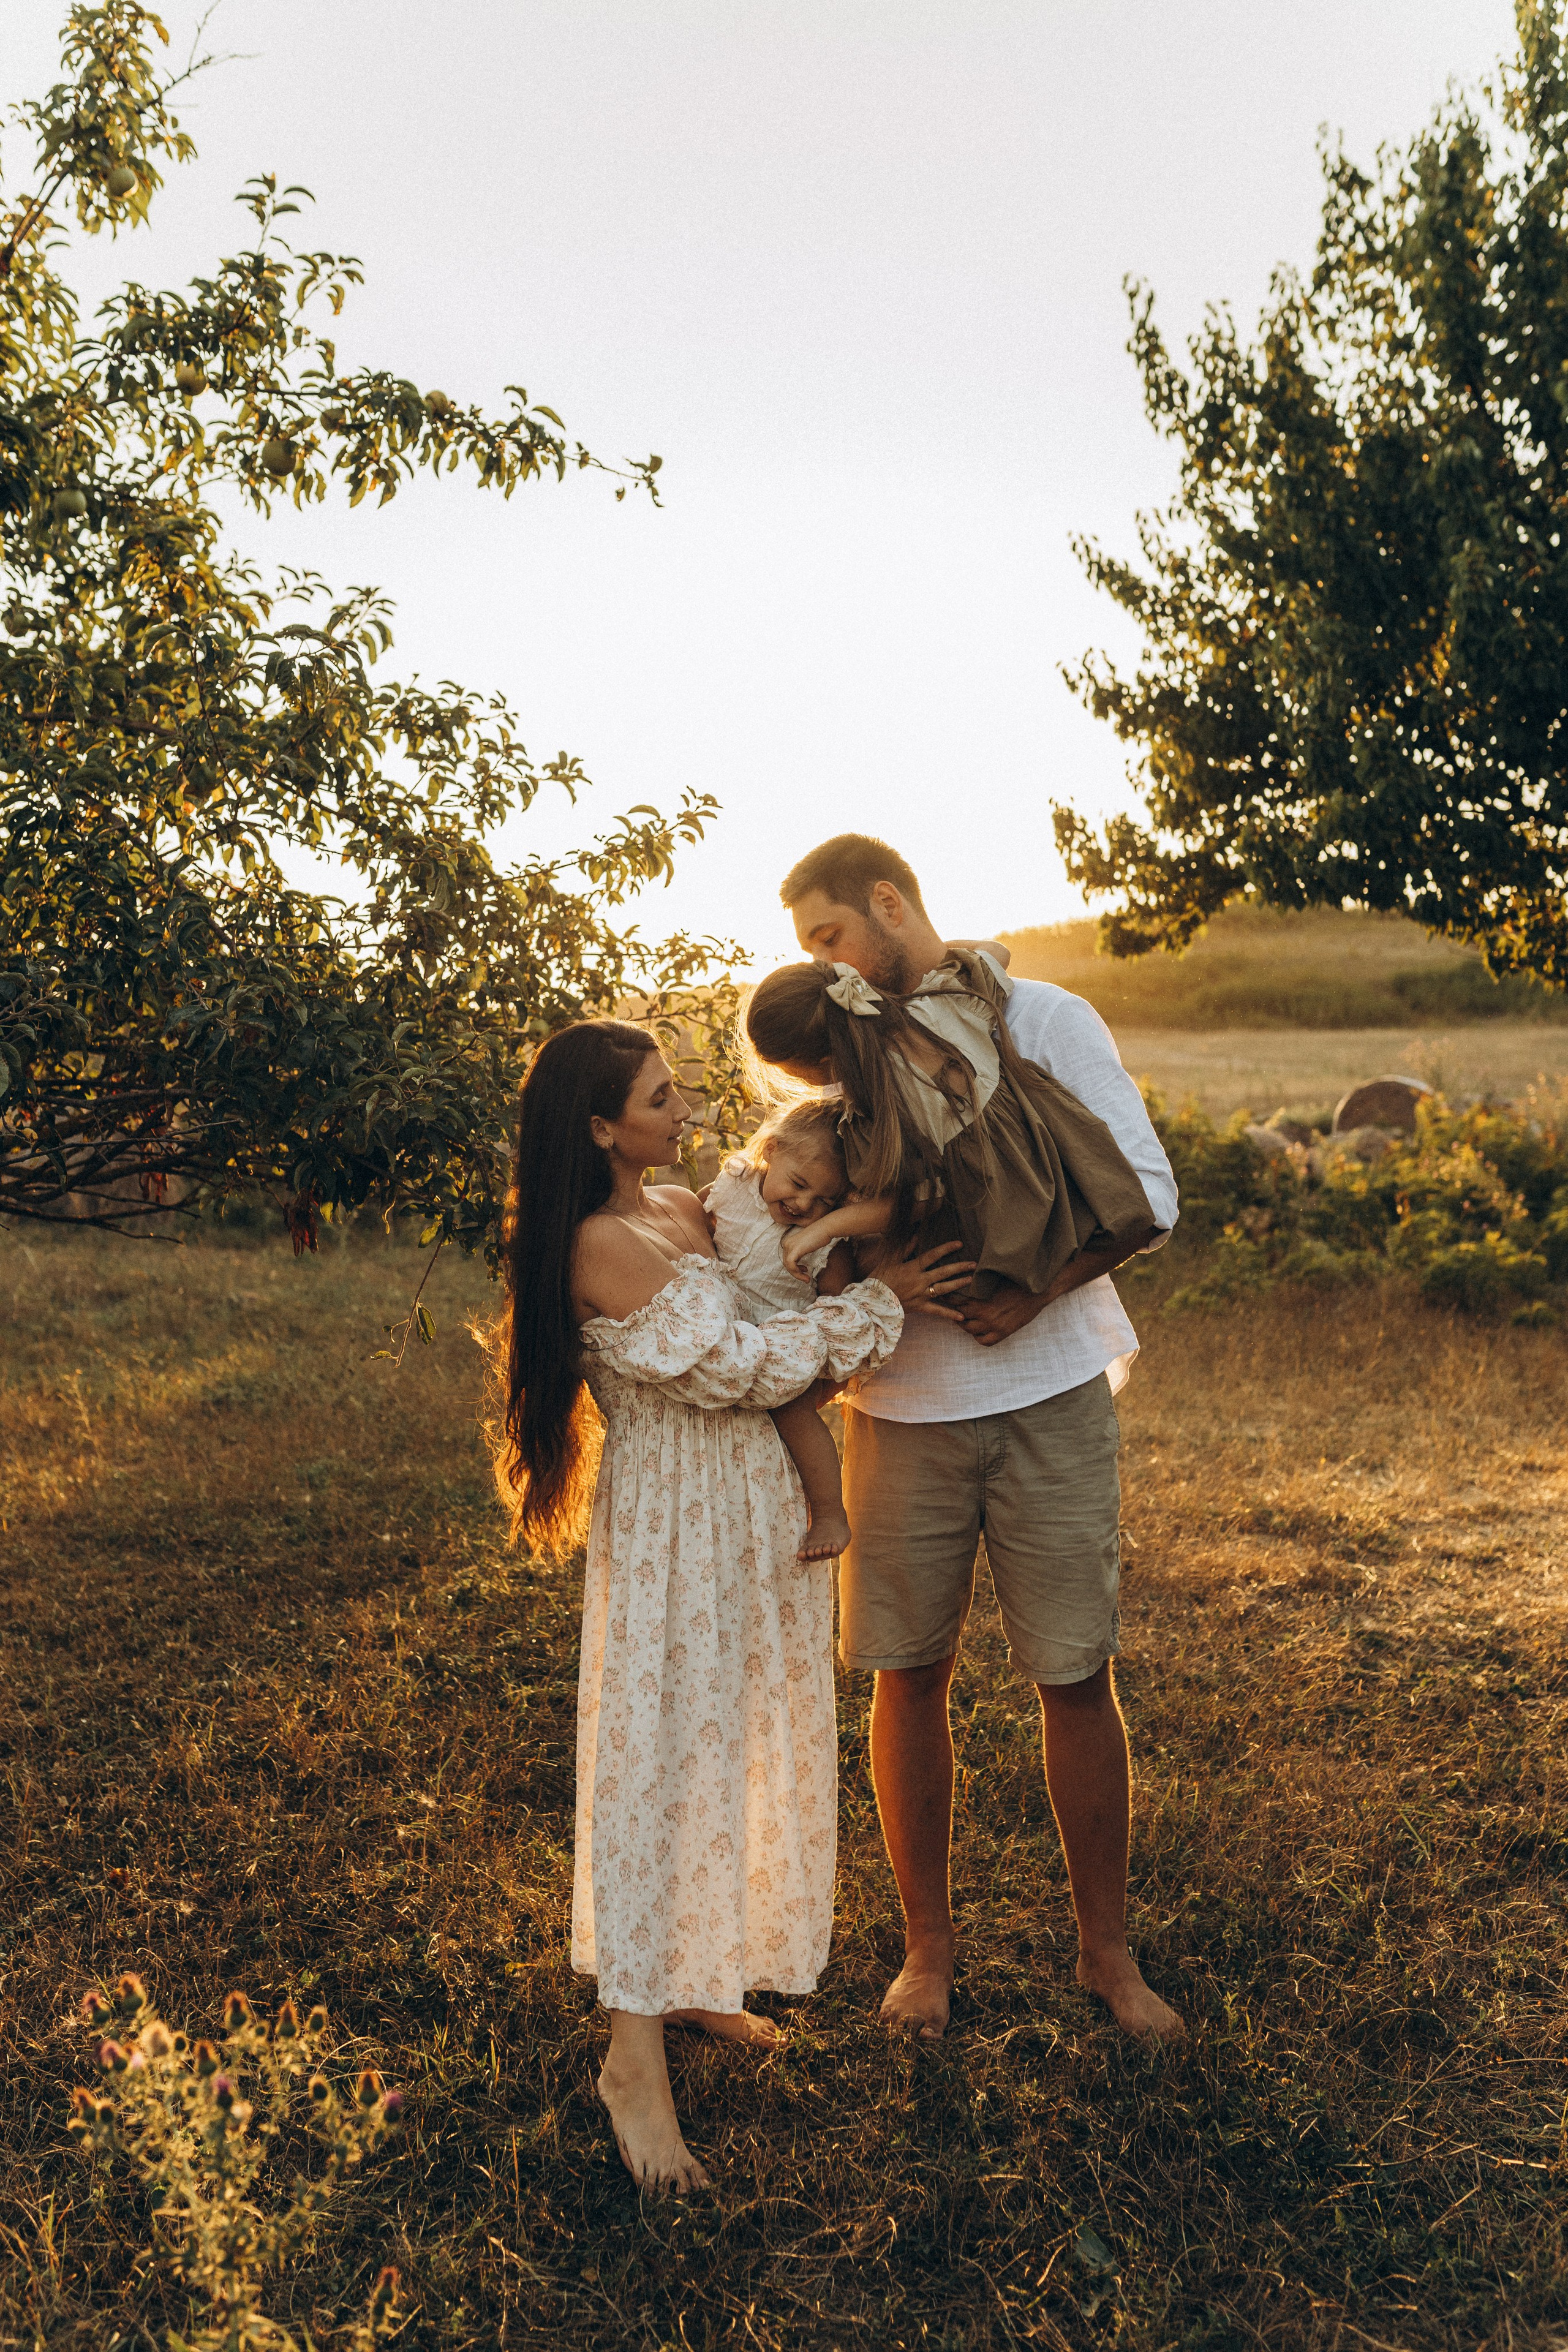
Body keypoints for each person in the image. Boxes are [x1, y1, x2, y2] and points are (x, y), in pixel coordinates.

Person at [493, 1019, 972, 2192]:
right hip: (677, 1527)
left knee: (730, 1748)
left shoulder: (687, 1207)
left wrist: (853, 1243)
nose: (688, 1108)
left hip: (755, 1517)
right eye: (661, 1098)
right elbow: (744, 1369)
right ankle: (631, 2059)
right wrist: (880, 1306)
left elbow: (772, 1298)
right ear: (602, 1127)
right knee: (659, 1765)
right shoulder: (599, 1240)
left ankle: (700, 1980)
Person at [778, 833, 1185, 2045]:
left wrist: (1035, 1293)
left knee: (1073, 1670)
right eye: (808, 953)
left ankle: (1105, 1955)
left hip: (1051, 1388)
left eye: (829, 937)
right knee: (906, 1674)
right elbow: (800, 1232)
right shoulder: (835, 1058)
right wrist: (876, 1271)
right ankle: (924, 1957)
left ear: (889, 901)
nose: (825, 967)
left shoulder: (1045, 1018)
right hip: (896, 1411)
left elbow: (1149, 1195)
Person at [743, 941, 1159, 1303]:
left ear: (826, 1063)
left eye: (800, 1077)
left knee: (876, 1248)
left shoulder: (882, 1108)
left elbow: (920, 1201)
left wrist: (821, 1229)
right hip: (1051, 1168)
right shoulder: (938, 1003)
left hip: (1006, 1223)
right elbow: (996, 952)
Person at [701, 1096, 861, 1561]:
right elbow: (695, 1218)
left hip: (777, 1347)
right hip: (719, 1330)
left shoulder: (827, 1240)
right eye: (799, 1183)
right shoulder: (732, 1184)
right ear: (770, 1151)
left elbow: (840, 1303)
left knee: (793, 1414)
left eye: (825, 1201)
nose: (804, 1204)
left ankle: (829, 1512)